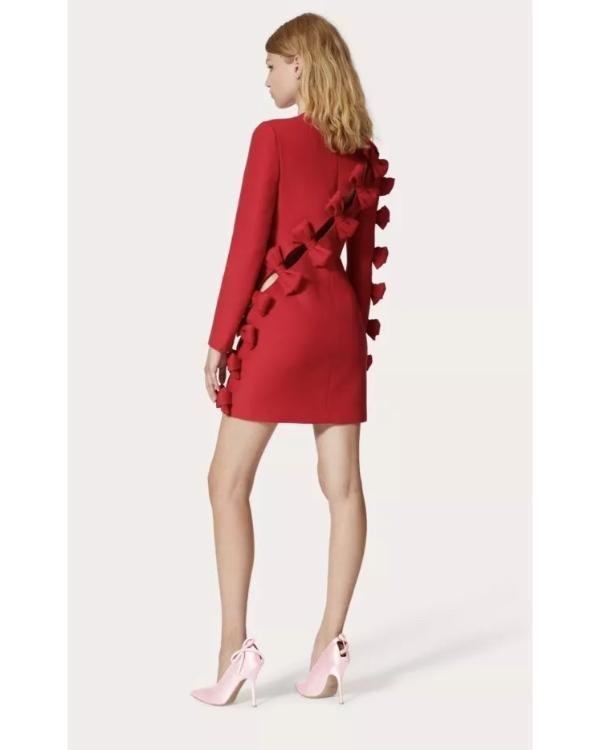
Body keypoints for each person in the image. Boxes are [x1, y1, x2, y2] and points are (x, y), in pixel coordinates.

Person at [191, 12, 394, 707]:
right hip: (338, 329)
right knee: (343, 488)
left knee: (227, 481)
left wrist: (221, 339)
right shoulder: (361, 153)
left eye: (274, 64)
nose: (268, 77)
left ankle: (234, 647)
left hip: (280, 326)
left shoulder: (271, 139)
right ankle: (329, 645)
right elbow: (363, 267)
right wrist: (352, 345)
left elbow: (248, 246)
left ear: (301, 65)